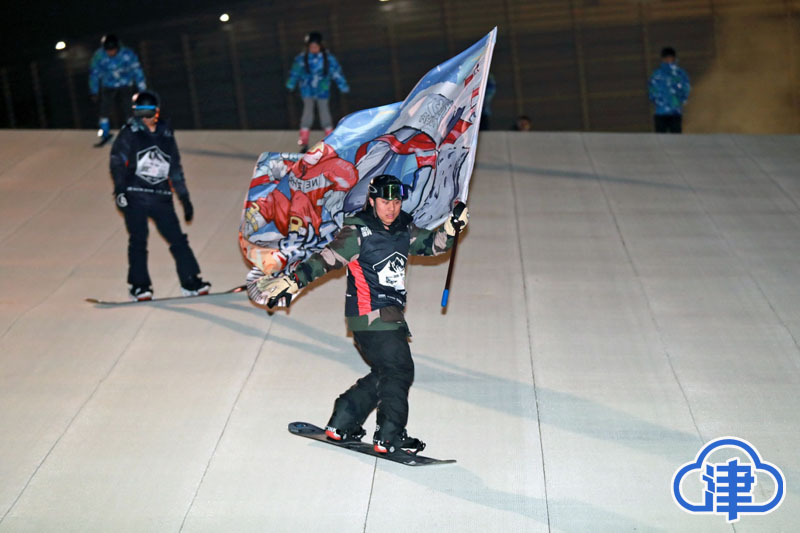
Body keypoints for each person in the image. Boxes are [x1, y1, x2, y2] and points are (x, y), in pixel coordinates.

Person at [257, 175, 469, 454]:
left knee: (386, 371)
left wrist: (451, 229)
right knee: (399, 369)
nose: (391, 208)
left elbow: (432, 245)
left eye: (395, 201)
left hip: (387, 315)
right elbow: (325, 260)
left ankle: (343, 420)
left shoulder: (403, 228)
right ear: (371, 201)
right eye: (384, 202)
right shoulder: (358, 232)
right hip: (369, 313)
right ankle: (389, 436)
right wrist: (293, 281)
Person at [109, 91, 210, 301]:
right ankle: (139, 285)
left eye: (149, 113)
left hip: (161, 196)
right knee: (138, 240)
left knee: (178, 240)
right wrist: (120, 190)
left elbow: (175, 167)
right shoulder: (130, 132)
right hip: (135, 195)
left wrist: (184, 197)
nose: (145, 119)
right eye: (140, 114)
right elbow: (117, 161)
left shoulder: (165, 133)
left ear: (156, 112)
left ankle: (190, 280)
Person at [286, 31, 350, 152]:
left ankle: (330, 141)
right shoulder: (301, 59)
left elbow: (337, 73)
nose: (314, 49)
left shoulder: (328, 59)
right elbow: (295, 73)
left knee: (325, 113)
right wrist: (290, 85)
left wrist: (343, 86)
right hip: (307, 91)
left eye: (315, 46)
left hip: (322, 91)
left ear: (320, 46)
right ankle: (304, 141)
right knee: (307, 113)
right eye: (311, 47)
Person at [89, 34, 147, 147]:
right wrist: (94, 91)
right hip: (108, 85)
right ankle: (104, 134)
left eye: (113, 50)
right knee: (104, 110)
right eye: (108, 51)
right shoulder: (99, 56)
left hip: (125, 84)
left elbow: (137, 70)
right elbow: (94, 74)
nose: (111, 53)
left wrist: (142, 88)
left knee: (128, 108)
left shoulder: (127, 54)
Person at [648, 46, 691, 133]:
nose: (668, 60)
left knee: (676, 140)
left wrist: (680, 100)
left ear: (674, 58)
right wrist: (657, 100)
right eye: (666, 58)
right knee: (660, 140)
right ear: (662, 59)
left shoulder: (680, 74)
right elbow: (651, 89)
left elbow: (686, 88)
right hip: (660, 112)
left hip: (675, 112)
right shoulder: (657, 74)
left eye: (670, 58)